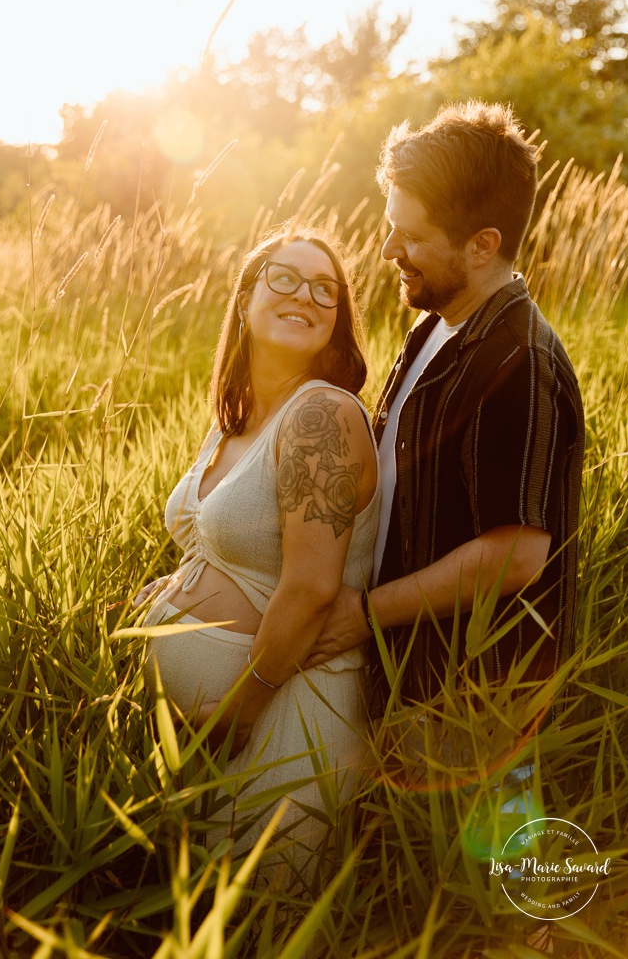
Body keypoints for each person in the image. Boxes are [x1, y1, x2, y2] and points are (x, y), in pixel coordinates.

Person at [305, 101, 585, 728]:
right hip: (404, 675)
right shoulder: (436, 323)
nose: (387, 250)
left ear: (483, 245)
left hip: (469, 701)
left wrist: (367, 613)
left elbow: (514, 555)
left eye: (410, 235)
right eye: (389, 226)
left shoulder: (519, 362)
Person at [136, 222, 380, 870]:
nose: (305, 295)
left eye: (325, 289)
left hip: (280, 719)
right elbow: (220, 546)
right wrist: (163, 595)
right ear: (244, 298)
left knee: (256, 922)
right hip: (213, 728)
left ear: (338, 317)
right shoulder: (236, 420)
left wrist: (237, 713)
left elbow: (309, 587)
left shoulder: (318, 417)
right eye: (284, 278)